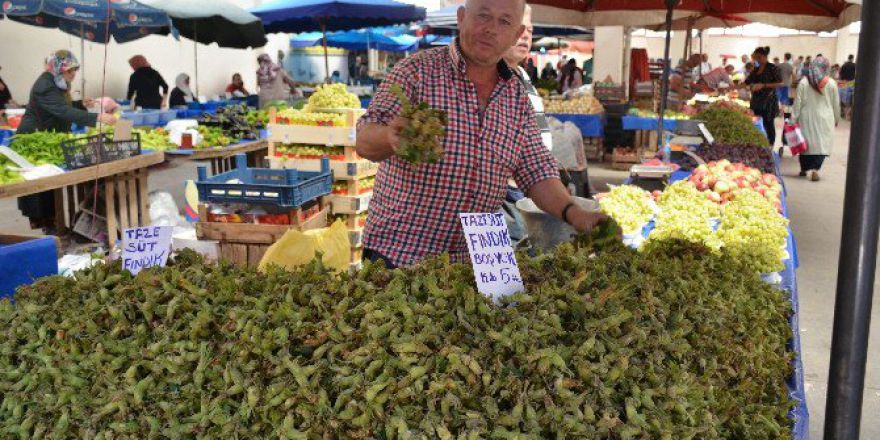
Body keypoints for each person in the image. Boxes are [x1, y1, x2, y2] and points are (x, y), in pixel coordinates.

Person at [355, 0, 607, 269]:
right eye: (483, 16)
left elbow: (536, 170)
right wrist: (390, 136)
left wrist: (573, 212)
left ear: (517, 33)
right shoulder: (416, 72)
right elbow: (364, 140)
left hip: (478, 261)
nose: (491, 29)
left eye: (504, 21)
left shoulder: (517, 97)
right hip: (401, 254)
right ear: (462, 17)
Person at [17, 50, 117, 231]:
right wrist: (97, 118)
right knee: (39, 183)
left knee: (49, 181)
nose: (73, 74)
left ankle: (52, 222)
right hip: (35, 136)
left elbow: (61, 105)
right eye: (70, 70)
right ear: (58, 68)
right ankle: (45, 223)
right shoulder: (44, 85)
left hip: (48, 134)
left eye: (75, 70)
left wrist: (80, 104)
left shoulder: (57, 82)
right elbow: (61, 111)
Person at [792, 56, 840, 182]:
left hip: (806, 117)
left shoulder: (804, 82)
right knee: (821, 145)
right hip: (826, 118)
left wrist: (793, 118)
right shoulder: (831, 83)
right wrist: (836, 118)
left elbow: (798, 103)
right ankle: (815, 170)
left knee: (806, 145)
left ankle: (804, 169)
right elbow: (836, 104)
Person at [745, 46, 783, 145]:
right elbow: (746, 82)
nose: (757, 60)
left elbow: (780, 83)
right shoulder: (756, 69)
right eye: (756, 58)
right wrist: (731, 87)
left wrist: (763, 85)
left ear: (764, 56)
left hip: (768, 101)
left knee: (768, 124)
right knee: (756, 122)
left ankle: (770, 145)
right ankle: (759, 144)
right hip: (756, 101)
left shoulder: (772, 68)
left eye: (759, 57)